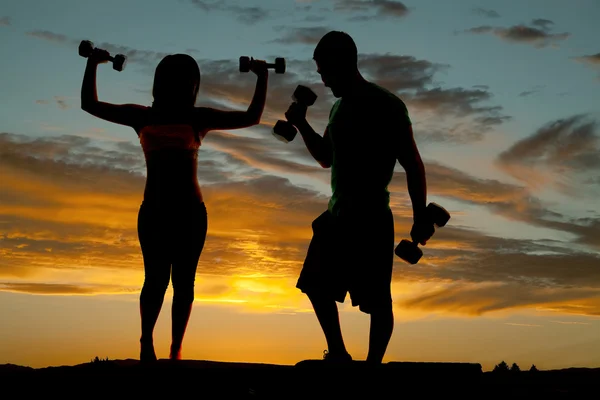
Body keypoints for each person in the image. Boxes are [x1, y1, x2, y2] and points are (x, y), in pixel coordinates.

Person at [81, 49, 269, 362]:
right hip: (154, 211)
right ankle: (146, 343)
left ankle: (175, 349)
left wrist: (262, 76)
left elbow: (251, 118)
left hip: (190, 214)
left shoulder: (197, 118)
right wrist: (92, 63)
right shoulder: (143, 116)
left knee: (183, 282)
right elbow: (91, 104)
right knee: (155, 280)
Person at [286, 31, 435, 365]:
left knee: (377, 303)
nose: (322, 81)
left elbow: (413, 164)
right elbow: (326, 156)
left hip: (371, 218)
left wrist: (419, 215)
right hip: (337, 215)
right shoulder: (337, 109)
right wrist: (301, 125)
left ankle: (372, 368)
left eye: (324, 71)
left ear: (343, 64)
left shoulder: (387, 105)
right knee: (315, 285)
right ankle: (338, 355)